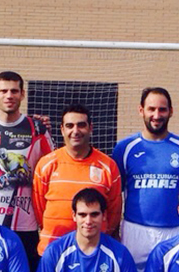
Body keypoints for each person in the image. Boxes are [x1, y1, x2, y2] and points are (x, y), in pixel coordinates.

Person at [113, 87, 179, 272]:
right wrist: (115, 229)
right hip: (135, 230)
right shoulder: (125, 148)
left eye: (162, 110)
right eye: (151, 109)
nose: (156, 115)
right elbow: (115, 195)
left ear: (171, 111)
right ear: (141, 110)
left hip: (175, 230)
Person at [0, 71, 54, 272]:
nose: (9, 96)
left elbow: (52, 169)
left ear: (22, 94)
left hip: (26, 222)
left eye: (14, 91)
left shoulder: (37, 128)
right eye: (4, 91)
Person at [33, 104, 121, 256]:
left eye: (81, 125)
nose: (75, 131)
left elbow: (113, 212)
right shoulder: (46, 164)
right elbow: (38, 207)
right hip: (52, 251)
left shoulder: (108, 166)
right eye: (69, 126)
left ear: (90, 128)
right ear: (62, 130)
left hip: (93, 253)